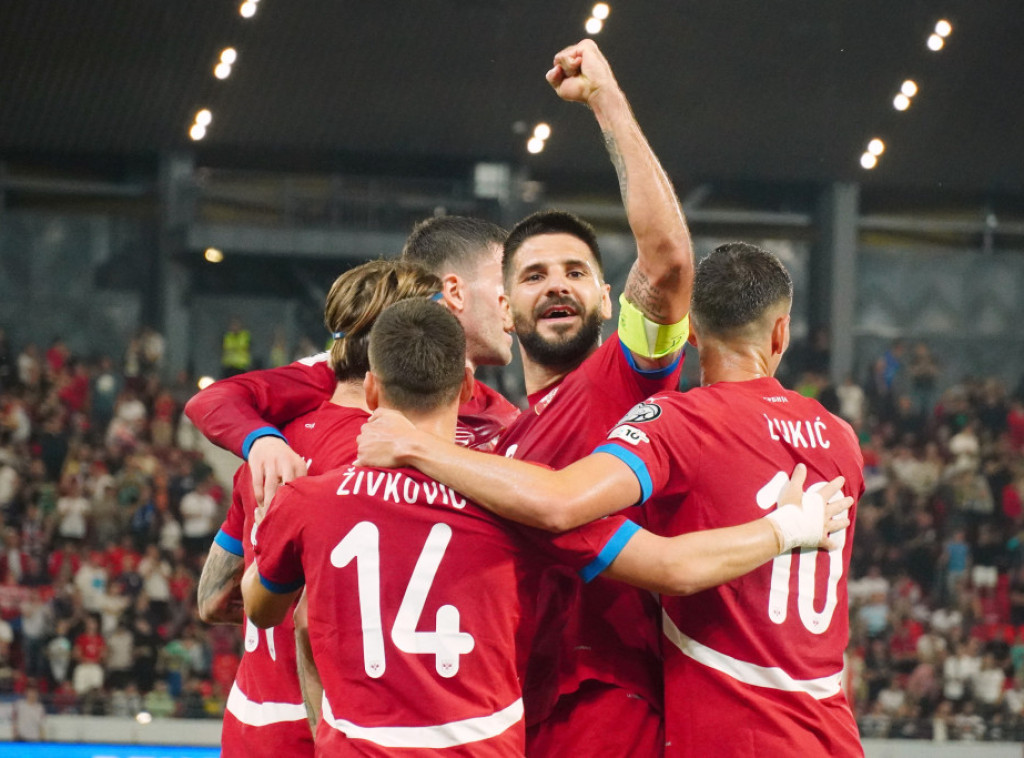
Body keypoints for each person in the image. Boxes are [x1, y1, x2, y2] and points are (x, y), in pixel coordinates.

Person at [243, 299, 850, 755]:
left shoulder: (308, 500)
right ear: (466, 387)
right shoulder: (516, 505)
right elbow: (670, 567)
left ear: (373, 388)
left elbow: (264, 609)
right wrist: (782, 530)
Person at [198, 261, 446, 758]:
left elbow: (212, 600)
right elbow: (313, 622)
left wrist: (270, 604)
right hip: (315, 729)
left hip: (249, 722)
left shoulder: (271, 447)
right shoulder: (375, 458)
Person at [185, 215, 516, 507]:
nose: (513, 303)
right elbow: (213, 400)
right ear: (454, 292)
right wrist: (262, 442)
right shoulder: (347, 370)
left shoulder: (502, 414)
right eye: (505, 285)